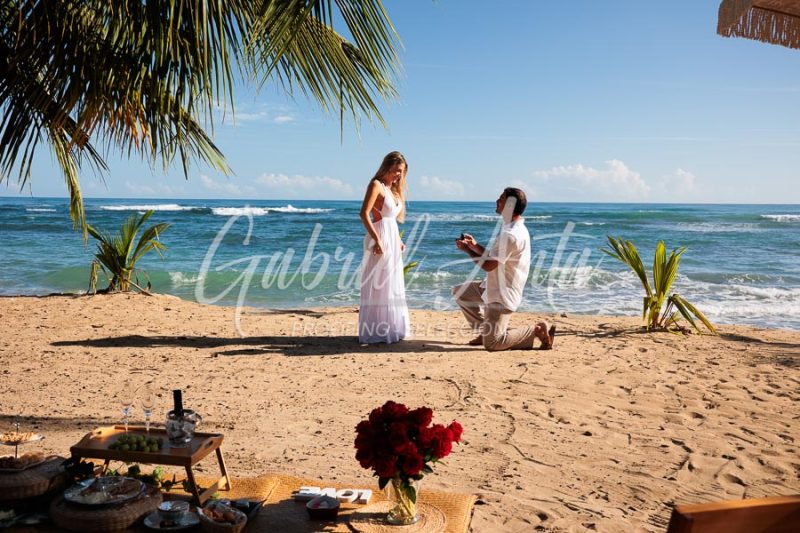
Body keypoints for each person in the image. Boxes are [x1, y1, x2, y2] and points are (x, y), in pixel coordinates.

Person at [452, 187, 555, 351]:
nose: (497, 200)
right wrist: (474, 245)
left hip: (502, 295)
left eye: (501, 198)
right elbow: (494, 257)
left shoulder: (511, 234)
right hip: (494, 286)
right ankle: (485, 331)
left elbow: (488, 265)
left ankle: (536, 330)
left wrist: (467, 251)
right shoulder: (513, 229)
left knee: (492, 344)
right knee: (460, 292)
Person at [358, 151, 411, 344]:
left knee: (392, 284)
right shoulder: (376, 185)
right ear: (387, 166)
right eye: (397, 170)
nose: (399, 175)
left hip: (392, 238)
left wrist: (398, 240)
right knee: (379, 284)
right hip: (379, 238)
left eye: (402, 172)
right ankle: (376, 331)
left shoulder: (394, 190)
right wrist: (377, 240)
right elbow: (364, 214)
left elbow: (392, 221)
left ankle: (391, 328)